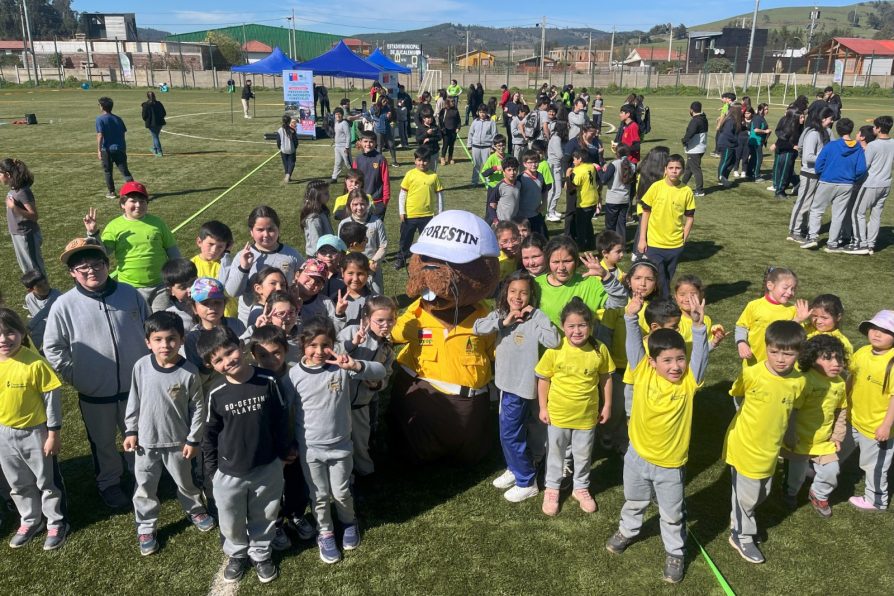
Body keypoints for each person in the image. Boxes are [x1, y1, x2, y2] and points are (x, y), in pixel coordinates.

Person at [605, 291, 709, 584]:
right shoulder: (642, 372)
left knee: (672, 514)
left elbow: (699, 359)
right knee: (634, 500)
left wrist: (699, 329)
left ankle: (675, 551)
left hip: (670, 466)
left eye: (680, 359)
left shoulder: (689, 383)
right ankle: (627, 530)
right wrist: (629, 317)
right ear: (652, 362)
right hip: (636, 457)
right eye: (667, 360)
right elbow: (634, 344)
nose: (675, 366)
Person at [44, 237, 149, 509]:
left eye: (97, 264)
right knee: (102, 442)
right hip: (94, 391)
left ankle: (143, 478)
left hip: (135, 387)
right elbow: (53, 347)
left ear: (107, 264)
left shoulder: (130, 294)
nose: (91, 270)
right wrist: (75, 375)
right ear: (72, 273)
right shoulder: (64, 305)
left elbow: (151, 330)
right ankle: (110, 482)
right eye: (83, 267)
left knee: (138, 434)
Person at [289, 317, 386, 564]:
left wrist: (355, 366)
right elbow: (286, 410)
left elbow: (380, 372)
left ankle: (348, 521)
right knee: (319, 495)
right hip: (311, 450)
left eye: (325, 345)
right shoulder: (293, 375)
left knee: (342, 492)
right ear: (302, 345)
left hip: (342, 446)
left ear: (333, 344)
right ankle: (326, 531)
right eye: (312, 346)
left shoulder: (341, 369)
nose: (319, 352)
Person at [199, 326, 292, 584]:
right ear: (211, 365)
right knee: (230, 519)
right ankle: (237, 553)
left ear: (240, 346)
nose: (228, 361)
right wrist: (211, 473)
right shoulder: (215, 393)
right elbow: (209, 435)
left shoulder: (268, 380)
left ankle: (261, 552)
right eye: (218, 360)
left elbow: (280, 418)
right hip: (229, 473)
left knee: (265, 513)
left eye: (229, 352)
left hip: (267, 467)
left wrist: (283, 452)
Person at [123, 311, 214, 556]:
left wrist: (194, 438)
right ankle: (145, 526)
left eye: (171, 338)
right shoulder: (141, 367)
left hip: (179, 442)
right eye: (159, 339)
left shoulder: (189, 371)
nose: (165, 345)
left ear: (182, 339)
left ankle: (195, 510)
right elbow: (134, 401)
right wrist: (131, 430)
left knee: (186, 483)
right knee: (144, 486)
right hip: (146, 443)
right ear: (148, 342)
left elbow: (198, 407)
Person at [725, 321, 807, 564]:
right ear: (766, 348)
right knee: (747, 497)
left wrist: (790, 436)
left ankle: (740, 519)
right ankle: (741, 535)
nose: (780, 359)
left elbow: (792, 410)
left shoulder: (799, 381)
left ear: (798, 353)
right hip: (745, 445)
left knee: (762, 492)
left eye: (788, 353)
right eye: (774, 352)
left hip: (770, 450)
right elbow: (737, 394)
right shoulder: (751, 373)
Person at [474, 271, 559, 503]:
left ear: (531, 295)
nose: (518, 297)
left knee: (511, 433)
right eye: (513, 291)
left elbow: (554, 341)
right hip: (505, 383)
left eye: (524, 292)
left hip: (521, 387)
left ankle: (526, 481)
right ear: (505, 293)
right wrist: (503, 322)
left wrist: (538, 317)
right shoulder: (501, 315)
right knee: (508, 432)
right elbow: (477, 328)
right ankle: (514, 468)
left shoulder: (536, 318)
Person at [536, 297, 613, 516]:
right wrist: (543, 407)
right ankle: (552, 488)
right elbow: (543, 379)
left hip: (587, 416)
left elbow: (606, 378)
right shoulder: (555, 349)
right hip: (558, 415)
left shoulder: (599, 350)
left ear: (590, 326)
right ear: (563, 326)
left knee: (583, 454)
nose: (577, 331)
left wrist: (607, 405)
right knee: (555, 453)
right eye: (571, 326)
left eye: (582, 325)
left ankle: (580, 487)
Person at [0, 307, 69, 551]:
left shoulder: (34, 363)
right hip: (4, 434)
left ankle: (56, 521)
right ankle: (30, 520)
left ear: (21, 332)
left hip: (35, 432)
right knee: (17, 482)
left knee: (46, 481)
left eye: (9, 332)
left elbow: (52, 401)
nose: (3, 339)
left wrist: (53, 434)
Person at [84, 181, 181, 313]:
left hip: (160, 286)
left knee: (160, 322)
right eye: (133, 201)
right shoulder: (114, 226)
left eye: (142, 201)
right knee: (138, 323)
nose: (138, 205)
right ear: (123, 204)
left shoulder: (157, 223)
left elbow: (172, 249)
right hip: (131, 287)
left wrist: (177, 275)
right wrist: (93, 233)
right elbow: (103, 252)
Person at [781, 334, 847, 518]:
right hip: (799, 440)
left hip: (824, 441)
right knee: (795, 477)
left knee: (832, 471)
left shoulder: (840, 384)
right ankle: (790, 492)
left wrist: (837, 436)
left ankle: (818, 494)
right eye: (827, 358)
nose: (836, 363)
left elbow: (842, 410)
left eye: (839, 358)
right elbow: (792, 411)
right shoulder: (805, 381)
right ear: (811, 359)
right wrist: (790, 435)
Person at [335, 296, 397, 481]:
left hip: (362, 404)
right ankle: (342, 478)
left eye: (390, 320)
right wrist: (353, 344)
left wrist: (377, 384)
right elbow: (333, 354)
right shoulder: (352, 331)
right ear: (366, 320)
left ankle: (366, 474)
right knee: (338, 441)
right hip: (338, 402)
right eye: (380, 320)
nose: (385, 325)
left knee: (361, 443)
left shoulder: (387, 348)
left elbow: (386, 374)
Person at [731, 267, 809, 400]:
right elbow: (741, 326)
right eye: (785, 288)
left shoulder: (792, 310)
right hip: (753, 363)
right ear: (770, 285)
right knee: (743, 394)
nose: (790, 292)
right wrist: (741, 343)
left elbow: (794, 338)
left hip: (779, 367)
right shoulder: (754, 305)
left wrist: (798, 320)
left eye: (793, 289)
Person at [846, 310, 894, 511]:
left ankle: (876, 500)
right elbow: (852, 377)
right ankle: (820, 472)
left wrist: (885, 426)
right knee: (838, 448)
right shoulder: (863, 352)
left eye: (885, 330)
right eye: (874, 328)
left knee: (874, 465)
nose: (877, 333)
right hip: (854, 417)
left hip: (876, 428)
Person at [224, 206, 304, 324]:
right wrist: (244, 268)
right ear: (251, 232)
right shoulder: (243, 256)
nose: (266, 234)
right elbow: (232, 292)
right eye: (260, 230)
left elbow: (304, 279)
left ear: (278, 229)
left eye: (271, 229)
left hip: (284, 320)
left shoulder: (291, 255)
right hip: (251, 321)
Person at [801, 118, 867, 252]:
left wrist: (823, 173)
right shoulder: (858, 147)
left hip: (827, 181)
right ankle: (833, 243)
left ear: (837, 130)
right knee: (839, 214)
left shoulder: (831, 146)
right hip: (847, 184)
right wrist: (851, 178)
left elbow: (819, 164)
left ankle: (812, 237)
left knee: (816, 210)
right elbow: (861, 169)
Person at [636, 155, 695, 297]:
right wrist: (642, 239)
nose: (674, 171)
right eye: (671, 168)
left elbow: (690, 217)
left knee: (667, 276)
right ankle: (665, 302)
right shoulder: (656, 187)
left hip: (675, 245)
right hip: (654, 243)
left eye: (677, 168)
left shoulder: (686, 191)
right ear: (665, 170)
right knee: (659, 274)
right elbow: (645, 214)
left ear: (682, 170)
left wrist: (684, 238)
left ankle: (657, 300)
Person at [847, 115, 893, 255]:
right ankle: (871, 244)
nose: (873, 128)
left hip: (871, 184)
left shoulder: (873, 145)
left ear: (878, 129)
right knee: (876, 214)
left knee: (857, 212)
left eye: (875, 126)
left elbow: (864, 166)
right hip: (886, 184)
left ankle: (861, 244)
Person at [787, 107, 834, 243]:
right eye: (830, 119)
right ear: (823, 119)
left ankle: (803, 228)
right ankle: (794, 231)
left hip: (820, 174)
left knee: (813, 204)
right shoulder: (813, 134)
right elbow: (807, 157)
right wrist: (825, 158)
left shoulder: (827, 132)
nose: (832, 122)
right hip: (809, 174)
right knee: (803, 203)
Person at [395, 148, 444, 269]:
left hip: (427, 216)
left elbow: (440, 196)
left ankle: (426, 260)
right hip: (410, 215)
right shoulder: (410, 174)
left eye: (425, 161)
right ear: (415, 160)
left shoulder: (434, 176)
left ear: (430, 161)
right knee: (405, 239)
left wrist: (440, 213)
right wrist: (402, 211)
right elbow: (402, 194)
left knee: (426, 241)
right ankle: (401, 259)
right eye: (419, 160)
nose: (422, 163)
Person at [1, 158, 46, 276]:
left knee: (34, 268)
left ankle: (44, 292)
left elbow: (34, 216)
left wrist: (14, 208)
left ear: (7, 174)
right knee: (26, 268)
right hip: (17, 233)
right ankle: (34, 292)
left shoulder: (22, 192)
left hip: (26, 235)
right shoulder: (14, 189)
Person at [337, 189, 387, 294]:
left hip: (372, 268)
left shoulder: (376, 222)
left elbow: (383, 246)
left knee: (376, 296)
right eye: (355, 204)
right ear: (349, 205)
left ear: (368, 204)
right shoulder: (344, 224)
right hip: (352, 269)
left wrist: (373, 262)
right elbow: (340, 247)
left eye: (362, 204)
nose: (359, 208)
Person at [190, 220, 237, 318]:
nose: (214, 250)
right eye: (210, 244)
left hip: (228, 315)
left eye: (220, 247)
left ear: (227, 246)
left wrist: (227, 254)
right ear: (199, 242)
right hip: (204, 317)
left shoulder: (228, 263)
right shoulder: (191, 265)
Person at [95, 96, 133, 199]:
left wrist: (98, 150)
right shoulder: (118, 119)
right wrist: (123, 148)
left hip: (106, 149)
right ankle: (133, 191)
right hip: (119, 148)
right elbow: (123, 134)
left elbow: (100, 135)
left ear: (102, 107)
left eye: (99, 105)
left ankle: (112, 192)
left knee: (108, 171)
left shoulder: (100, 119)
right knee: (125, 171)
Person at [352, 130, 391, 216]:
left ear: (375, 143)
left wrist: (385, 200)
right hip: (360, 201)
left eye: (371, 142)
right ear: (361, 142)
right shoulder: (358, 160)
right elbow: (353, 180)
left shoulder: (380, 159)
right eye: (365, 141)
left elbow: (386, 180)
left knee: (375, 228)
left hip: (377, 202)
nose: (368, 144)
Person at [599, 145, 635, 238]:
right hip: (625, 199)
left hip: (613, 199)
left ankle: (611, 245)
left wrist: (600, 170)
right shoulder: (632, 165)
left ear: (616, 153)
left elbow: (603, 180)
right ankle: (621, 245)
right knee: (621, 224)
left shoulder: (614, 164)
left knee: (610, 225)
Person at [20, 270, 60, 352]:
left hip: (59, 326)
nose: (45, 287)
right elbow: (35, 315)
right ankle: (30, 351)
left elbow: (43, 313)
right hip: (42, 327)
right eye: (40, 286)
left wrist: (29, 327)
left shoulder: (56, 295)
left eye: (45, 283)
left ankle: (31, 352)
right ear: (30, 290)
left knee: (40, 325)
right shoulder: (29, 298)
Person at [566, 150, 598, 250]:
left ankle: (580, 246)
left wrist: (568, 175)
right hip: (593, 199)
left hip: (584, 202)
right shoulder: (591, 167)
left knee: (580, 227)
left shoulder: (578, 171)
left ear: (580, 159)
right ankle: (591, 243)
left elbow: (571, 188)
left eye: (575, 159)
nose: (573, 161)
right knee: (588, 223)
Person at [161, 259, 198, 333]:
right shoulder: (170, 318)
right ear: (170, 291)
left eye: (193, 283)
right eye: (183, 287)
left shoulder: (209, 302)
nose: (189, 289)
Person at [300, 179, 334, 257]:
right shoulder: (313, 219)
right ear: (316, 195)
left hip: (327, 252)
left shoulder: (322, 211)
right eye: (325, 193)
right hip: (319, 256)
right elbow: (316, 241)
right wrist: (320, 257)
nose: (328, 195)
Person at [680, 102, 708, 197]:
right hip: (701, 147)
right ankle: (681, 185)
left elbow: (690, 132)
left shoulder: (695, 121)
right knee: (689, 168)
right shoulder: (704, 118)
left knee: (695, 169)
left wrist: (684, 141)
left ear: (691, 110)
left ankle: (700, 190)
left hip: (695, 149)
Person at [468, 104, 497, 186]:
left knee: (487, 165)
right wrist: (469, 144)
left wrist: (493, 147)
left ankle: (488, 181)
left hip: (486, 147)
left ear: (486, 112)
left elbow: (495, 135)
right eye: (480, 112)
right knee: (476, 165)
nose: (482, 114)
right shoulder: (475, 122)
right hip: (476, 147)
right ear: (478, 112)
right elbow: (470, 133)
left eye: (484, 112)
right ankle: (474, 181)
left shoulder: (491, 122)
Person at [716, 106, 741, 188]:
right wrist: (736, 140)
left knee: (732, 161)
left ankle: (724, 177)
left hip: (731, 144)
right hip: (726, 144)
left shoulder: (734, 121)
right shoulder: (730, 121)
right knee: (725, 161)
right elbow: (728, 134)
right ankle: (720, 177)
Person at [140, 91, 167, 157]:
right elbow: (164, 113)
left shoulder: (146, 105)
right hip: (160, 123)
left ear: (148, 97)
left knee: (155, 137)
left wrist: (147, 120)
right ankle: (155, 149)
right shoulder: (159, 103)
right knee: (155, 136)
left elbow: (144, 116)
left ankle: (159, 151)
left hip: (152, 124)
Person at [276, 114, 299, 184]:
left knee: (285, 163)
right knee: (292, 163)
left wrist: (279, 147)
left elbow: (278, 141)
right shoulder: (292, 130)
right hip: (291, 149)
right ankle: (288, 175)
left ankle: (287, 175)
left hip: (283, 150)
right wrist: (295, 147)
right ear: (289, 122)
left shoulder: (279, 130)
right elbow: (295, 141)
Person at [439, 98, 461, 166]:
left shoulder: (455, 110)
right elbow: (440, 120)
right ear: (447, 102)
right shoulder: (443, 110)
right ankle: (442, 158)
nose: (453, 103)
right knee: (445, 145)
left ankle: (450, 158)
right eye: (452, 101)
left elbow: (458, 120)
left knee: (451, 145)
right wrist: (442, 129)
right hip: (446, 131)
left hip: (453, 131)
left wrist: (458, 127)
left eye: (453, 101)